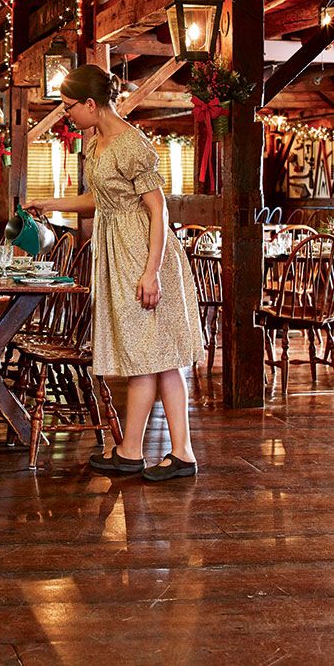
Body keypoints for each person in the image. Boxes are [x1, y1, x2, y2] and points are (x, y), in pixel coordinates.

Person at [26, 64, 205, 481]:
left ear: (91, 104)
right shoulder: (97, 143)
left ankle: (176, 453)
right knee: (147, 356)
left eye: (70, 106)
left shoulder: (131, 144)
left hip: (144, 253)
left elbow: (158, 209)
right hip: (118, 253)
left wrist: (153, 271)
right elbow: (99, 201)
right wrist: (50, 205)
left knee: (160, 357)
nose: (66, 113)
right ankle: (135, 451)